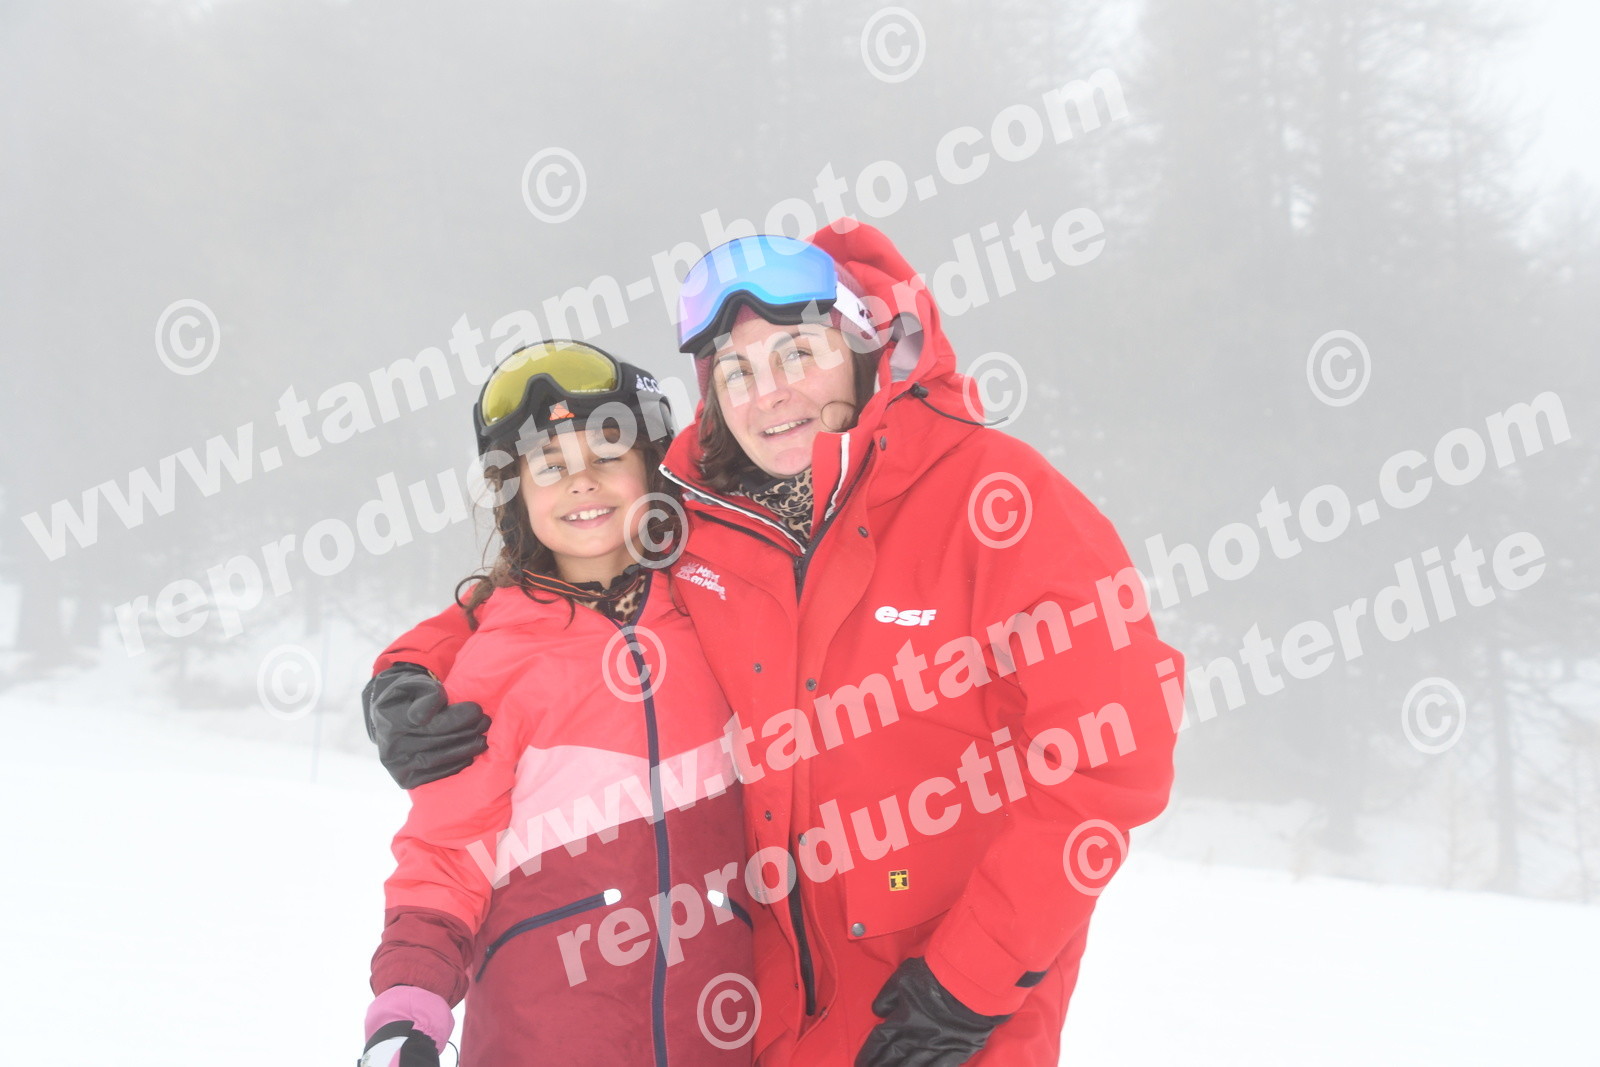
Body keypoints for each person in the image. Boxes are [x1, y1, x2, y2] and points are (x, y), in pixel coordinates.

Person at [364, 224, 1183, 1066]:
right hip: (776, 1028)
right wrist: (412, 666)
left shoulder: (993, 496)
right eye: (736, 371)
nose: (771, 393)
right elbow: (566, 587)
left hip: (944, 1025)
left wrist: (970, 983)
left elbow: (1113, 744)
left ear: (863, 346)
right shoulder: (709, 531)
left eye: (797, 353)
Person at [359, 340, 755, 1067]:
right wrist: (407, 1012)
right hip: (541, 1037)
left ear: (652, 467)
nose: (581, 482)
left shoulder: (720, 608)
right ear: (515, 494)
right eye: (548, 466)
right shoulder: (495, 655)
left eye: (607, 454)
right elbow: (447, 851)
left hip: (727, 1034)